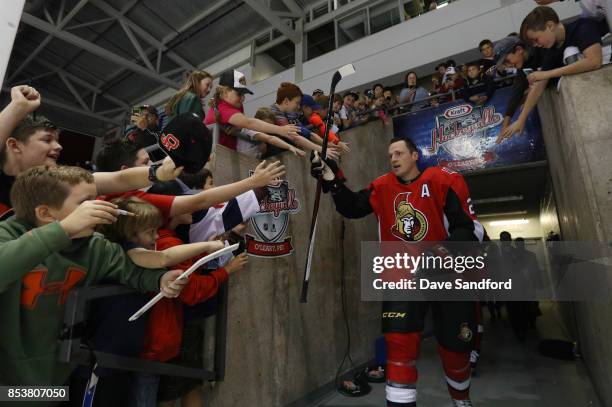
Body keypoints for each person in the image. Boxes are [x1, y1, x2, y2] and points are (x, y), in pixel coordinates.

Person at [311, 137, 484, 407]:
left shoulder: (445, 180)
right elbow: (352, 206)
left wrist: (435, 256)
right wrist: (331, 178)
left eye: (399, 153)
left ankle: (461, 400)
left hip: (447, 277)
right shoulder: (381, 186)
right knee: (399, 347)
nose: (393, 158)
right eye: (390, 154)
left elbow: (470, 230)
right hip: (402, 279)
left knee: (456, 348)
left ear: (415, 155)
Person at [0, 165, 187, 386]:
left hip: (56, 375)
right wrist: (64, 229)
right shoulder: (9, 234)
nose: (97, 206)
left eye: (96, 198)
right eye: (84, 203)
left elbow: (130, 270)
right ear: (46, 213)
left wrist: (160, 280)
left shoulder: (94, 245)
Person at [500, 6, 608, 142]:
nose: (536, 45)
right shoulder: (552, 50)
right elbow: (539, 85)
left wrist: (548, 74)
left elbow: (594, 61)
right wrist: (521, 120)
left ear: (550, 26)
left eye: (536, 39)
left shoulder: (583, 26)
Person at [205, 70, 300, 151]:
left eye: (243, 94)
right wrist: (280, 129)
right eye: (239, 94)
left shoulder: (236, 104)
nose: (242, 98)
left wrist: (238, 127)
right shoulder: (222, 108)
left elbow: (241, 124)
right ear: (225, 92)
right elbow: (249, 123)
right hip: (213, 154)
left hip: (227, 151)